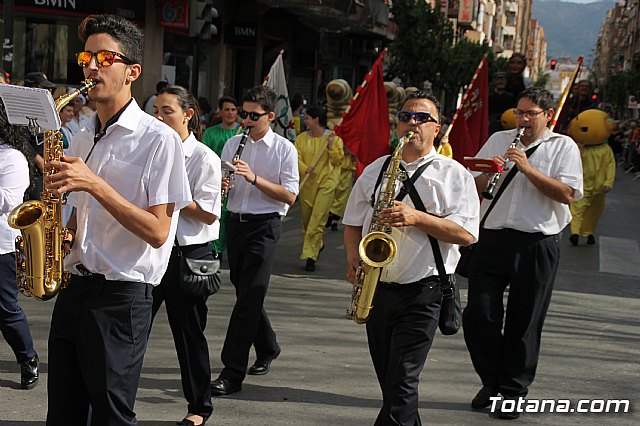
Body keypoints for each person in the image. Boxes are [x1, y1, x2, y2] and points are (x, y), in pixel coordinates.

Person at [43, 14, 191, 425]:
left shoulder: (159, 139)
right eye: (86, 57)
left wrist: (94, 185)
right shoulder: (85, 132)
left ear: (132, 72)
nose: (91, 66)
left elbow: (160, 232)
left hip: (121, 297)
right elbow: (86, 214)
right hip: (75, 289)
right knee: (64, 413)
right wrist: (60, 230)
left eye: (105, 57)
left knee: (111, 416)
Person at [343, 91, 480, 425]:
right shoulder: (377, 169)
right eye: (405, 117)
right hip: (377, 288)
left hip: (425, 290)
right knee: (391, 384)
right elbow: (351, 221)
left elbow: (466, 234)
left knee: (402, 380)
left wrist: (417, 217)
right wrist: (353, 259)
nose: (412, 124)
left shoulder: (453, 174)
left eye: (422, 118)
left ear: (438, 129)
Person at [463, 87, 583, 419]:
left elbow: (568, 194)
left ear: (548, 115)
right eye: (520, 112)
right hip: (491, 237)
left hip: (536, 242)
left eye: (531, 113)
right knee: (479, 315)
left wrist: (527, 169)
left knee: (524, 321)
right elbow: (471, 185)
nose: (524, 119)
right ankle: (491, 381)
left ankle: (513, 392)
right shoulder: (499, 139)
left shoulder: (563, 146)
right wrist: (489, 172)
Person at [210, 85, 298, 396]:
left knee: (248, 300)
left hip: (265, 226)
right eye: (243, 114)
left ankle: (232, 372)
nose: (245, 120)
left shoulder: (284, 149)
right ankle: (268, 345)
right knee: (246, 290)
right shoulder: (233, 143)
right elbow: (223, 187)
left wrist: (254, 179)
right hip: (236, 224)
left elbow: (289, 194)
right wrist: (223, 184)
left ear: (270, 116)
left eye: (252, 115)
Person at [151, 85, 221, 426]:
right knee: (131, 331)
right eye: (156, 111)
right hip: (151, 249)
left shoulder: (205, 157)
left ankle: (199, 408)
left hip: (188, 255)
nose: (160, 117)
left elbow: (208, 213)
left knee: (189, 335)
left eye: (167, 111)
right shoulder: (152, 149)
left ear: (188, 115)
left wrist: (174, 192)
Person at [0, 101, 40, 391]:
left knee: (6, 309)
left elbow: (9, 202)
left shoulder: (12, 157)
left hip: (1, 246)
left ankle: (28, 359)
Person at [294, 105, 344, 272]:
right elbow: (296, 157)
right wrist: (304, 168)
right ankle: (317, 244)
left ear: (316, 119)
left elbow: (338, 161)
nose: (304, 121)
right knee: (307, 220)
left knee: (317, 220)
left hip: (327, 183)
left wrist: (330, 147)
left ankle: (311, 256)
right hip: (307, 184)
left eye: (307, 118)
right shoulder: (301, 139)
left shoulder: (333, 138)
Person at [202, 95, 241, 260]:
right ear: (220, 112)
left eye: (233, 110)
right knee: (219, 216)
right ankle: (216, 250)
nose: (230, 113)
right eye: (227, 110)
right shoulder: (211, 133)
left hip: (238, 182)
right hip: (217, 181)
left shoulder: (244, 133)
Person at [488, 71, 516, 136]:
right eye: (498, 79)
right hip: (492, 123)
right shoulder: (489, 96)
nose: (500, 82)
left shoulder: (512, 96)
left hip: (508, 122)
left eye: (503, 79)